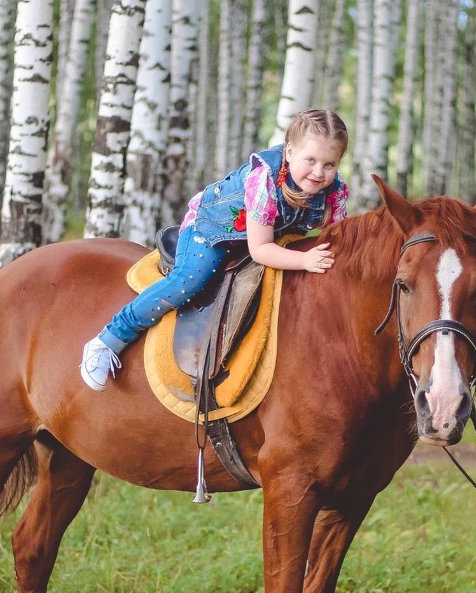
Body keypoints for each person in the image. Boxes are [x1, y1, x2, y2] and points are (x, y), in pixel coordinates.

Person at [79, 108, 351, 391]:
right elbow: (260, 250)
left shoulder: (336, 191)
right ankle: (109, 340)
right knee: (189, 280)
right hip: (214, 230)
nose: (319, 172)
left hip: (266, 235)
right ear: (290, 151)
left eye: (329, 164)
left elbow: (336, 239)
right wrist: (305, 259)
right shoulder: (265, 181)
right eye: (311, 160)